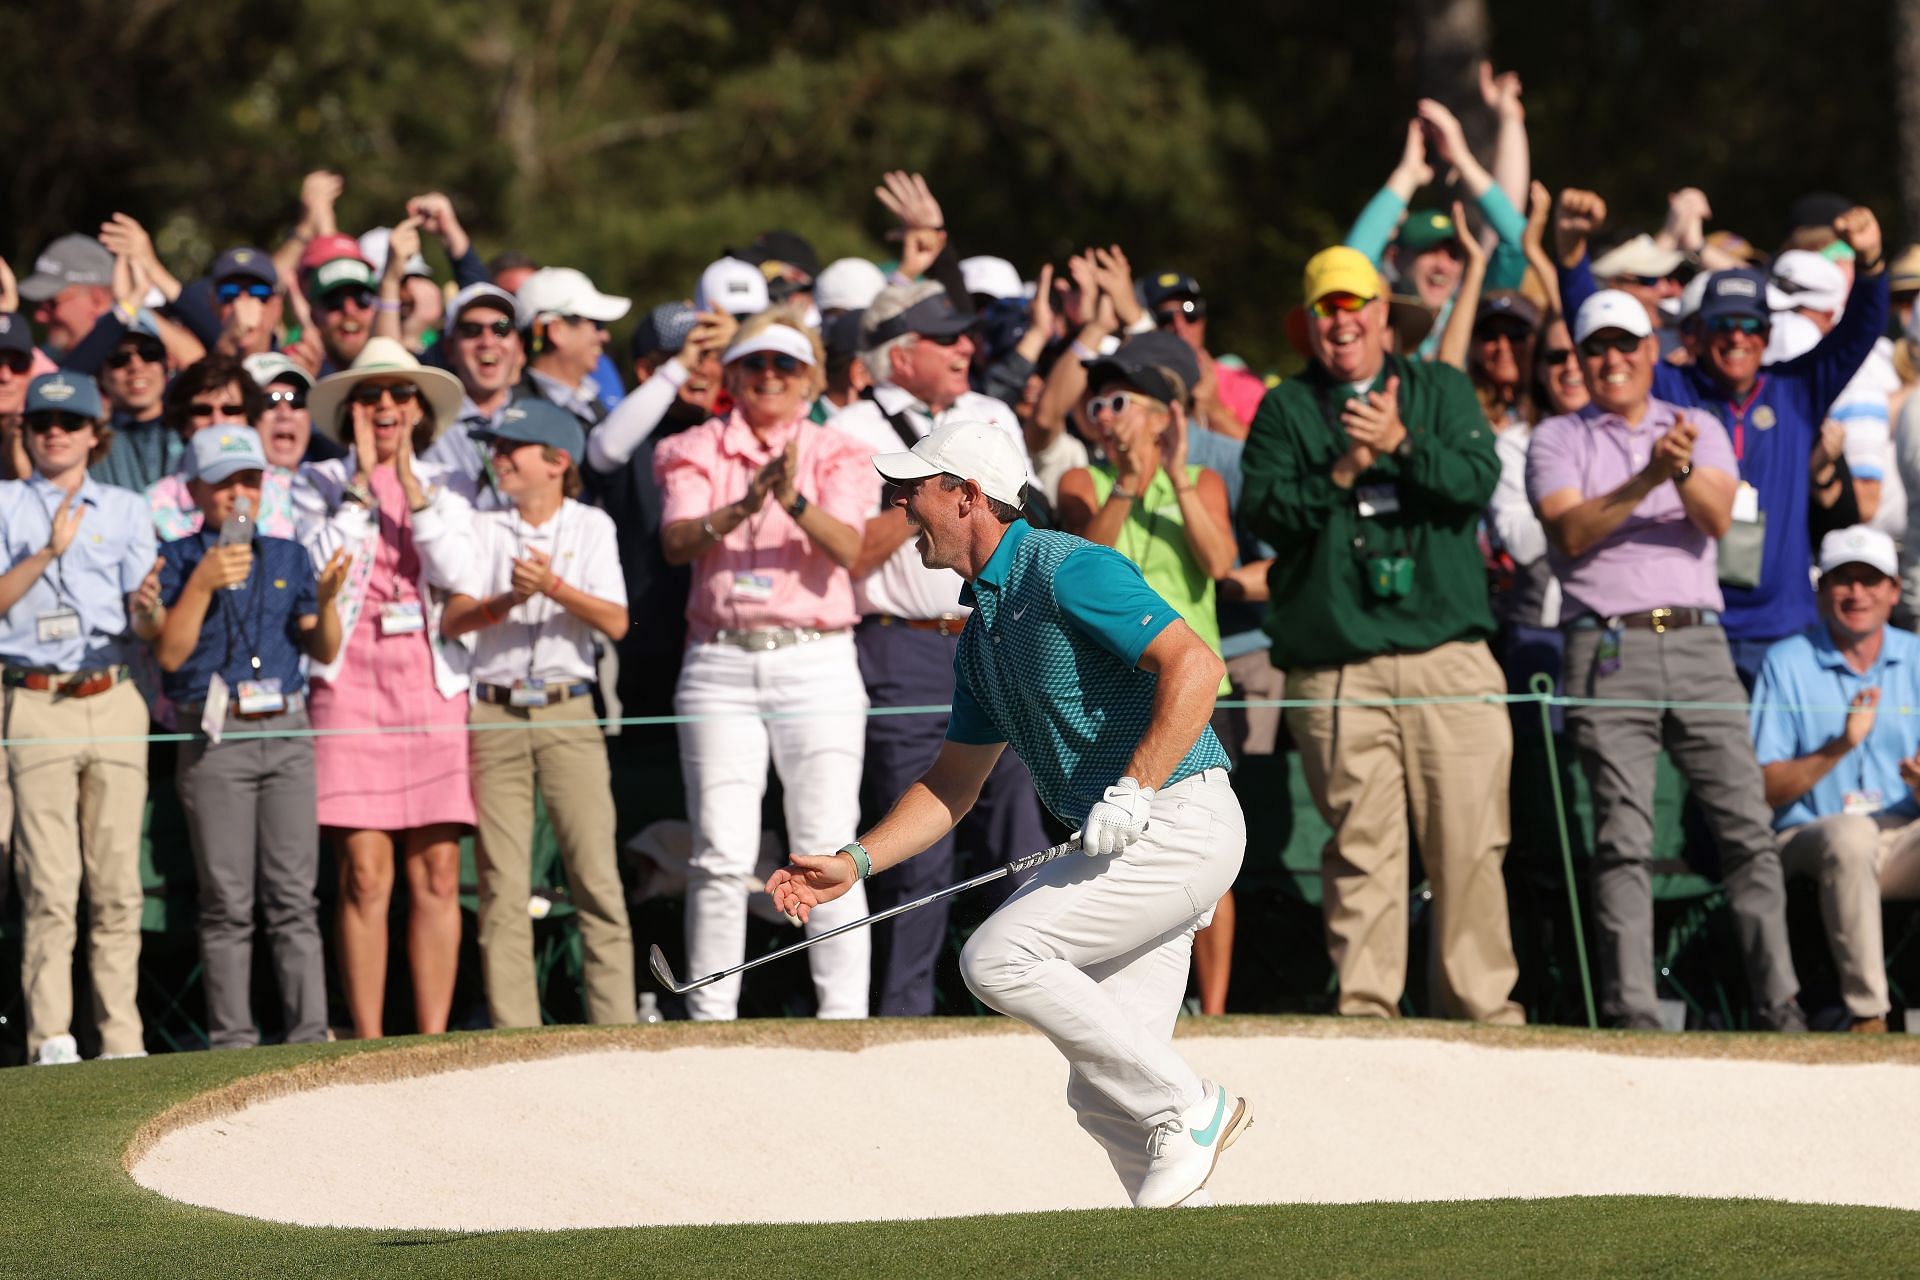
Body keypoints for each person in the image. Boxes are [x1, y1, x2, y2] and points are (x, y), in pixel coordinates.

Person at [768, 420, 1249, 1209]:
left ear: (968, 497)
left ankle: (1196, 1108)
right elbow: (953, 782)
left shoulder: (1067, 569)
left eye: (914, 489)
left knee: (995, 958)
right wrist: (852, 864)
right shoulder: (982, 629)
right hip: (1123, 841)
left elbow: (1197, 665)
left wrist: (1134, 790)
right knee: (1100, 1092)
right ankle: (1175, 1236)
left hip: (1179, 823)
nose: (900, 502)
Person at [1241, 245, 1523, 1024]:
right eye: (1326, 309)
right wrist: (1341, 469)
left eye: (1354, 305)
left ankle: (1482, 1011)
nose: (1342, 323)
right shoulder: (1285, 410)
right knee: (1363, 851)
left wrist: (1402, 445)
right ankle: (1368, 1017)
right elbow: (1263, 513)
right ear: (1310, 324)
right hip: (1338, 667)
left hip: (1449, 659)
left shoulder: (1441, 389)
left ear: (1383, 314)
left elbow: (1476, 482)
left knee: (1470, 848)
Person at [1527, 289, 1803, 1031]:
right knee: (1623, 836)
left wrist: (1675, 468)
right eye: (1597, 348)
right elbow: (1573, 532)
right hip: (1608, 646)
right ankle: (1633, 1013)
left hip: (1699, 642)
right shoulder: (1556, 437)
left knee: (1746, 824)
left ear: (1653, 351)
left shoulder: (1699, 426)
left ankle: (1778, 1005)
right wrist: (1651, 478)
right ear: (1582, 359)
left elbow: (1717, 517)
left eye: (1626, 345)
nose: (1611, 360)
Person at [826, 281, 1054, 1016]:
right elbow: (858, 552)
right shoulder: (851, 423)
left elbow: (1022, 515)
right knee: (916, 842)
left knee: (1016, 837)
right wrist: (924, 487)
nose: (965, 347)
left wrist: (953, 474)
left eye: (964, 335)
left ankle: (1028, 1009)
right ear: (900, 355)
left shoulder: (987, 414)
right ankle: (905, 1018)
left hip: (997, 625)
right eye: (944, 337)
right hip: (904, 648)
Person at [1556, 191, 1889, 685]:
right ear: (1693, 334)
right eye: (1723, 325)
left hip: (1783, 627)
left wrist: (1871, 264)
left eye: (1751, 325)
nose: (1738, 337)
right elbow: (1601, 332)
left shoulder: (1796, 390)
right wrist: (1571, 257)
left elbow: (1858, 333)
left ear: (1767, 333)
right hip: (1694, 623)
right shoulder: (1670, 388)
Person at [653, 314, 874, 1021]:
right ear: (733, 378)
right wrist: (742, 506)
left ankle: (844, 1022)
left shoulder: (840, 450)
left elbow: (849, 547)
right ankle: (711, 1021)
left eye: (786, 366)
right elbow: (677, 542)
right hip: (719, 662)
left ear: (810, 379)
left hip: (816, 663)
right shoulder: (692, 447)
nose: (770, 378)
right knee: (720, 851)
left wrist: (791, 500)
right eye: (755, 366)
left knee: (830, 848)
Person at [137, 425, 349, 1048]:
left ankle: (309, 1036)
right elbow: (172, 655)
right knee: (226, 900)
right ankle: (232, 1042)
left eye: (250, 480)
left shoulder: (287, 553)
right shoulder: (177, 557)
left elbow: (322, 645)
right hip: (216, 736)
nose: (239, 494)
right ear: (196, 489)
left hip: (286, 729)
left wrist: (330, 601)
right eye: (225, 481)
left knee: (293, 897)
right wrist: (202, 582)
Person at [292, 337, 475, 1040]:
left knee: (435, 874)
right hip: (350, 687)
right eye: (370, 396)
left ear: (420, 410)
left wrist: (413, 490)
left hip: (432, 687)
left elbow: (459, 571)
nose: (386, 407)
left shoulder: (451, 487)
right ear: (350, 412)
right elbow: (319, 570)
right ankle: (366, 1043)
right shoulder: (319, 483)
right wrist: (363, 487)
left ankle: (429, 1041)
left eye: (400, 394)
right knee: (365, 875)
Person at [1056, 332, 1240, 1016]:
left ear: (1164, 415)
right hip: (1109, 696)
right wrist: (1131, 485)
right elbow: (1079, 560)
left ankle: (1214, 1010)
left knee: (1210, 847)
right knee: (1114, 847)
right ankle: (1125, 1002)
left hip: (1194, 688)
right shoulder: (1083, 483)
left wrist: (1179, 478)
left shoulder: (1205, 482)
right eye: (1097, 404)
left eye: (1120, 402)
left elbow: (1219, 563)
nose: (1105, 416)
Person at [441, 401, 637, 1029]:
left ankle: (617, 1033)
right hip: (493, 713)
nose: (498, 457)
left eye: (511, 447)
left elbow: (616, 621)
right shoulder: (478, 523)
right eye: (496, 446)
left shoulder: (592, 526)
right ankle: (515, 1040)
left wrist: (552, 589)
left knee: (594, 877)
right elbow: (454, 620)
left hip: (567, 711)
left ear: (557, 461)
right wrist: (508, 599)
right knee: (502, 885)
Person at [0, 373, 158, 1064]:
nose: (54, 431)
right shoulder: (4, 504)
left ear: (97, 434)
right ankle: (51, 1040)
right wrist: (48, 552)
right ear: (25, 432)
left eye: (69, 420)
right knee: (50, 884)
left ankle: (122, 1041)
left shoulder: (126, 509)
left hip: (114, 693)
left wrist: (152, 607)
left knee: (119, 883)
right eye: (41, 421)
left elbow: (146, 623)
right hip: (33, 699)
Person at [1750, 527, 1920, 1034]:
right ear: (1821, 590)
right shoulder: (1786, 661)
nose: (1857, 594)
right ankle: (1869, 1017)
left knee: (1865, 837)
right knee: (1850, 836)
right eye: (1843, 580)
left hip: (1900, 835)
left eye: (1870, 581)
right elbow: (1763, 790)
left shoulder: (1916, 656)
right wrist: (1838, 746)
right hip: (1808, 835)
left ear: (1893, 590)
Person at [147, 355, 296, 541]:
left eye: (230, 410)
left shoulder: (289, 488)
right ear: (184, 423)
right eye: (202, 411)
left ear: (248, 417)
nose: (217, 421)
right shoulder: (153, 502)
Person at [421, 282, 525, 488]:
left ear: (519, 347)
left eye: (501, 328)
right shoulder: (425, 423)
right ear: (449, 350)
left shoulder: (540, 420)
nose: (487, 341)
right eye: (471, 330)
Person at [1140, 271, 1269, 434]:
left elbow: (1268, 454)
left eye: (1190, 311)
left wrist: (1215, 410)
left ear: (1203, 319)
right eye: (1165, 318)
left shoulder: (1244, 384)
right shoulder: (1135, 389)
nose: (1180, 326)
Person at [517, 268, 630, 427]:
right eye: (597, 324)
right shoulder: (519, 411)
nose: (605, 336)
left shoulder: (591, 398)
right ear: (557, 331)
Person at [90, 327, 176, 493]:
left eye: (150, 354)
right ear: (101, 375)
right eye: (119, 359)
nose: (136, 366)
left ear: (166, 365)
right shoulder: (91, 441)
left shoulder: (196, 423)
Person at [19, 234, 115, 358]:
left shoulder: (139, 364)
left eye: (51, 304)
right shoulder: (35, 365)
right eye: (37, 304)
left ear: (97, 301)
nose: (39, 317)